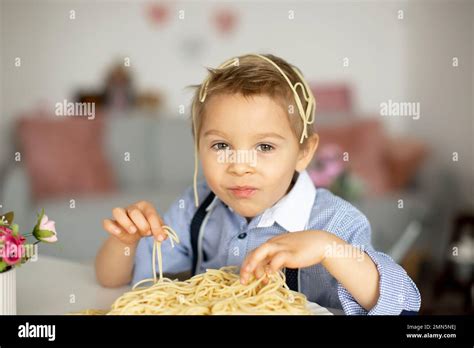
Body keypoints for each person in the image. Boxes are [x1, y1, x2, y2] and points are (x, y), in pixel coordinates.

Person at [95, 53, 421, 315]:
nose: (240, 167)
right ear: (198, 147)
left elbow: (404, 305)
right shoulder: (195, 206)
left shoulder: (334, 222)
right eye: (221, 146)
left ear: (304, 153)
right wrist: (125, 241)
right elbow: (115, 280)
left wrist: (326, 249)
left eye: (264, 147)